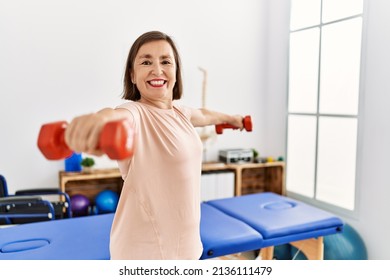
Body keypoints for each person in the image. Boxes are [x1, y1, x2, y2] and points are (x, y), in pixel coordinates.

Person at [64, 31, 245, 260]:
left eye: (166, 61)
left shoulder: (180, 112)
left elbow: (204, 114)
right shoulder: (134, 113)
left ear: (176, 72)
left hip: (187, 248)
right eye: (146, 62)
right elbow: (113, 116)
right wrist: (98, 121)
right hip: (145, 254)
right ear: (132, 74)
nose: (157, 70)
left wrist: (232, 118)